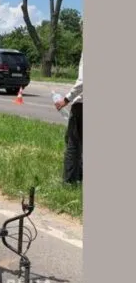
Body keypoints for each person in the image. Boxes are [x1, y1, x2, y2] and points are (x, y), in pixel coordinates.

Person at [54, 52, 83, 185]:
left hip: (82, 105)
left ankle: (70, 181)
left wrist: (66, 99)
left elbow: (83, 81)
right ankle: (80, 176)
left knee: (73, 143)